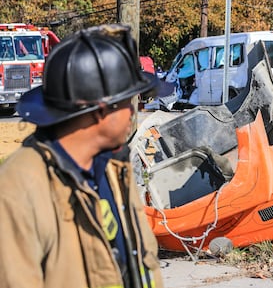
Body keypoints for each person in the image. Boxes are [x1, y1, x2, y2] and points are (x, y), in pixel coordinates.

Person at [0, 24, 164, 288]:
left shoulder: (114, 166)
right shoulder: (17, 191)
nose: (135, 112)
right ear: (101, 111)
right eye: (127, 102)